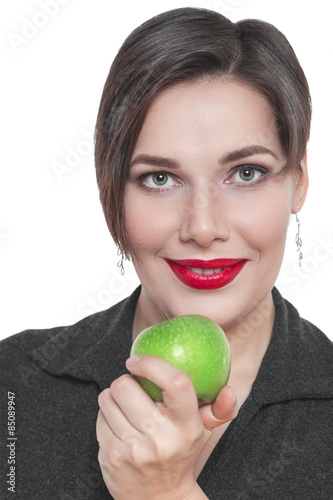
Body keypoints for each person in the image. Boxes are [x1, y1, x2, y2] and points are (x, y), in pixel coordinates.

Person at [1, 6, 332, 500]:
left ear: (299, 180)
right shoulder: (14, 384)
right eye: (159, 178)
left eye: (246, 173)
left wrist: (163, 493)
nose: (202, 228)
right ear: (111, 189)